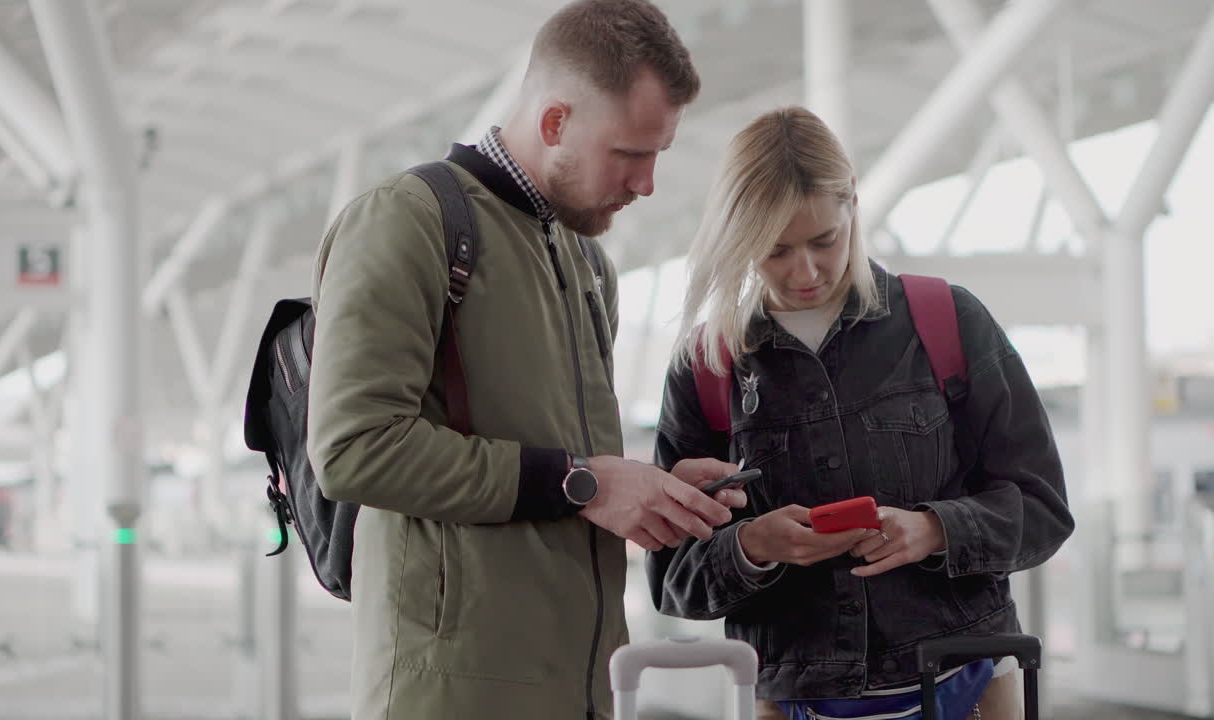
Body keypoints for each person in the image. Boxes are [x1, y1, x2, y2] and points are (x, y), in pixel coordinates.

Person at [306, 2, 745, 719]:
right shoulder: (406, 222)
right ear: (555, 122)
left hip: (581, 690)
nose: (648, 184)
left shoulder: (587, 262)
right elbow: (354, 449)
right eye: (631, 154)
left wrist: (650, 489)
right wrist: (584, 484)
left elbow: (563, 473)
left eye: (658, 153)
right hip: (449, 696)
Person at [646, 106, 1075, 720]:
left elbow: (1044, 508)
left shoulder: (947, 322)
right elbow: (670, 577)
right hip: (794, 701)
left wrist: (936, 529)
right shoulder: (707, 366)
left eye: (824, 239)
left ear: (853, 201)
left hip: (967, 685)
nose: (807, 271)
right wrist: (752, 546)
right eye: (775, 250)